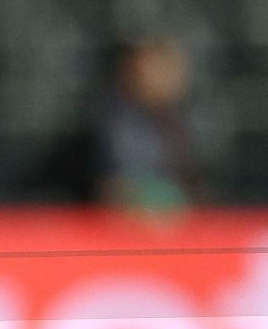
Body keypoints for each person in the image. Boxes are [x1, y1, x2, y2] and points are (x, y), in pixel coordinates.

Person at [35, 35, 208, 210]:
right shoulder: (111, 121)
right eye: (159, 68)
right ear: (132, 69)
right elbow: (112, 190)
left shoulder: (173, 122)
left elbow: (192, 182)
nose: (170, 77)